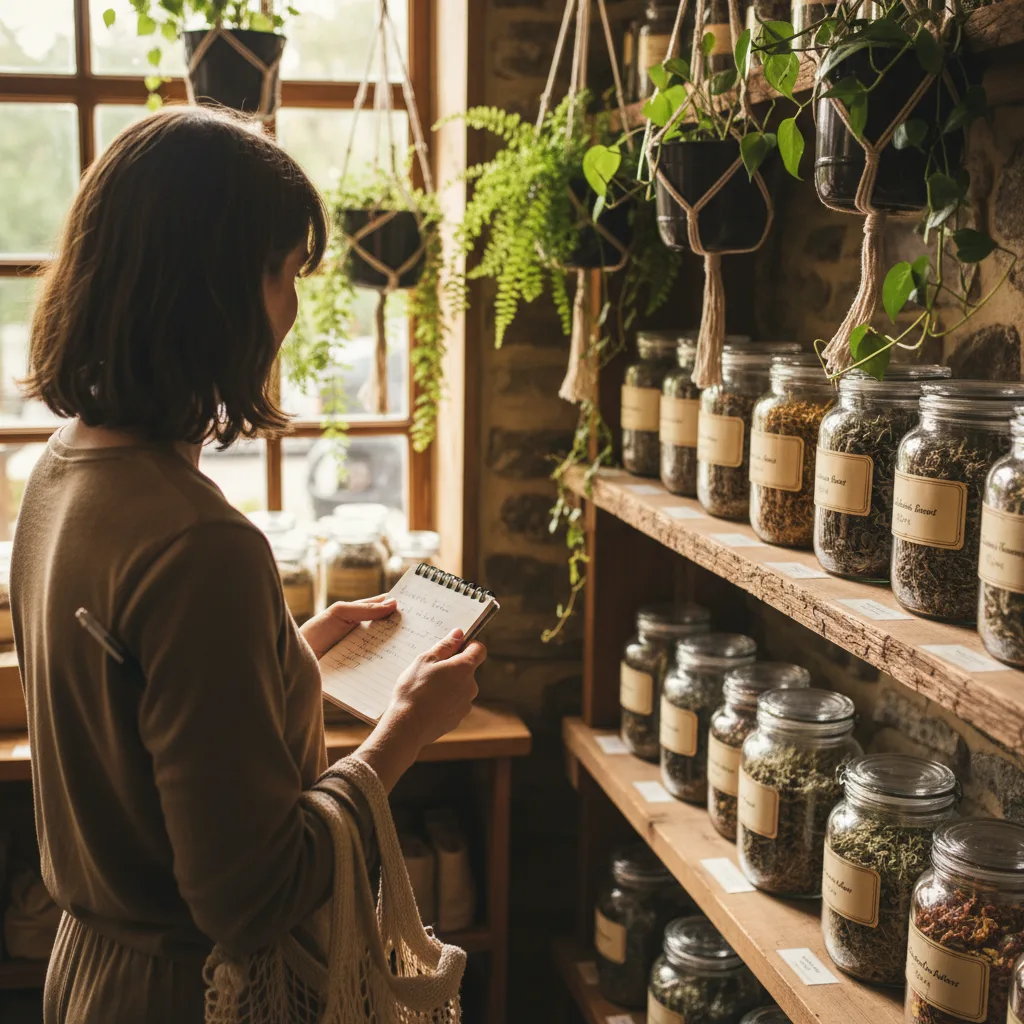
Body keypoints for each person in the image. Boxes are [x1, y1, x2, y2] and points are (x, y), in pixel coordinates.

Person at [9, 105, 483, 1024]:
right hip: (189, 995)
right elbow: (254, 893)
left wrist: (290, 651)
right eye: (287, 273)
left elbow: (135, 712)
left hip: (93, 977)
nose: (295, 308)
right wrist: (408, 732)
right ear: (216, 292)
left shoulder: (61, 466)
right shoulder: (201, 544)